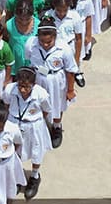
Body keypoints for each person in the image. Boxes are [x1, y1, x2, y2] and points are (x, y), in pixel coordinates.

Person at [1, 67, 52, 201]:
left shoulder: (41, 94)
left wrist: (34, 120)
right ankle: (17, 178)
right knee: (14, 152)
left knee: (36, 151)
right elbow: (6, 104)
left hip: (33, 124)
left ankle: (35, 176)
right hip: (14, 123)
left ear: (34, 85)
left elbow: (46, 110)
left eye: (27, 87)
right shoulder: (9, 90)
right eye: (20, 86)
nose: (22, 90)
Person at [25, 19, 77, 149]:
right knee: (37, 102)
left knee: (57, 103)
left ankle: (56, 127)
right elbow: (28, 61)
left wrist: (70, 90)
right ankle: (40, 126)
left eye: (49, 42)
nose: (45, 44)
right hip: (37, 77)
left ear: (55, 36)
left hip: (55, 79)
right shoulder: (31, 44)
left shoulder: (64, 48)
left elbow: (70, 70)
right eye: (42, 41)